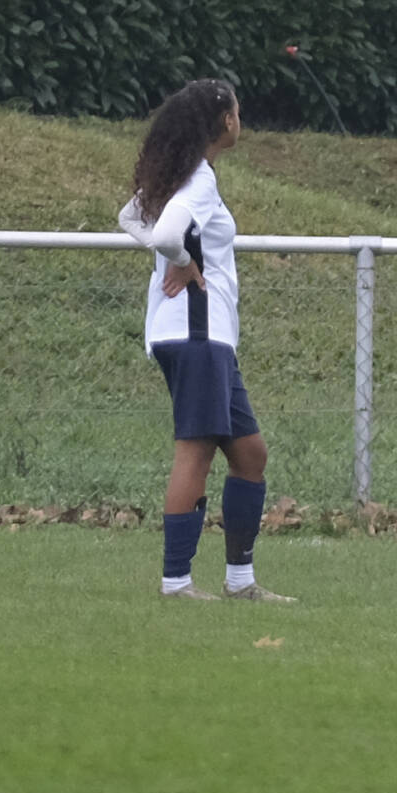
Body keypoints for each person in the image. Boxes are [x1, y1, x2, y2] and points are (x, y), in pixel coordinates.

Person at [119, 79, 291, 604]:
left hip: (205, 336)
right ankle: (176, 583)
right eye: (237, 111)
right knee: (195, 454)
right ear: (225, 121)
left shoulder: (185, 172)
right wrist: (182, 260)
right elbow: (167, 234)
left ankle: (240, 582)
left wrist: (176, 256)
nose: (241, 120)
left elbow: (130, 218)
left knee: (250, 454)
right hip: (197, 333)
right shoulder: (198, 180)